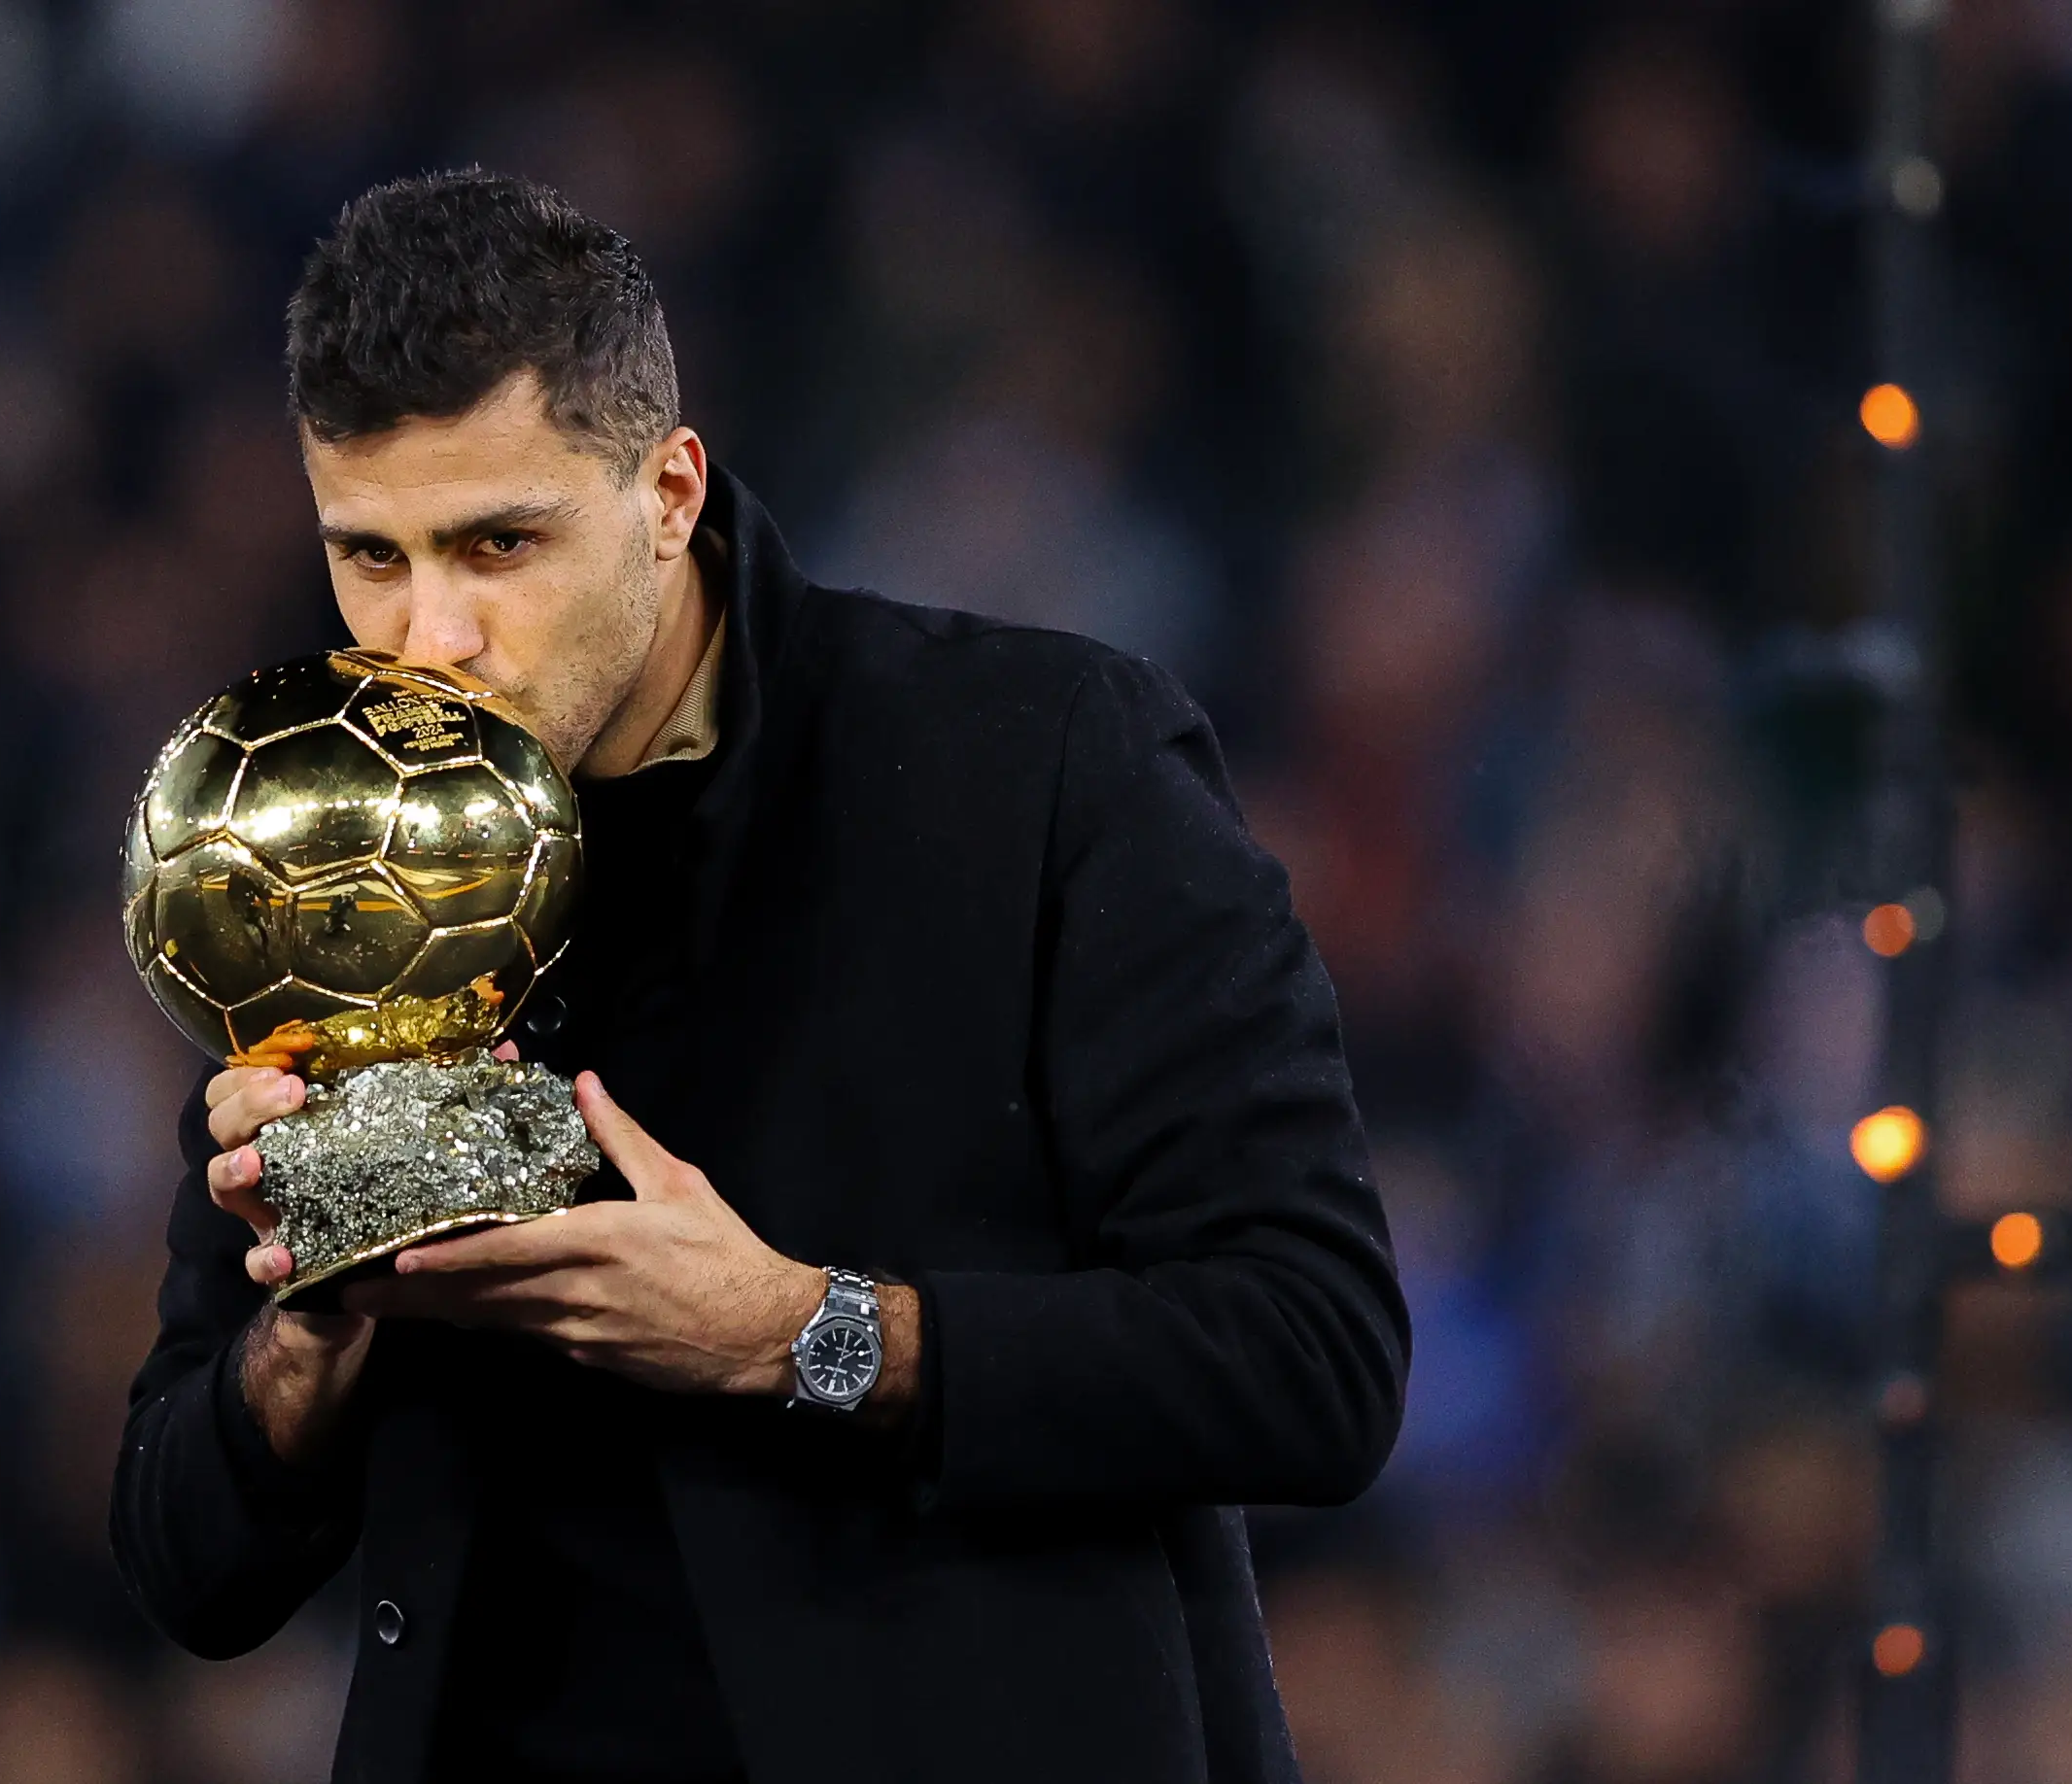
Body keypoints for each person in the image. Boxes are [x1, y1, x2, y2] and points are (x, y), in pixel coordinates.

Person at [110, 169, 1408, 1784]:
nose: (426, 636)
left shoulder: (1037, 768)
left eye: (497, 542)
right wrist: (304, 1333)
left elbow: (1314, 1359)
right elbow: (185, 1566)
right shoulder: (328, 865)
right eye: (367, 555)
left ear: (667, 491)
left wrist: (809, 1334)